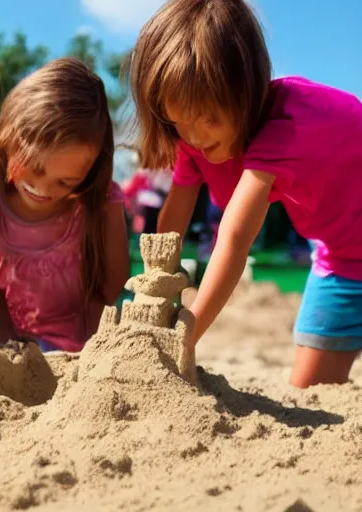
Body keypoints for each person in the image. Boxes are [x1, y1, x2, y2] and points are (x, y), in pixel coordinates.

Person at [126, 0, 362, 387]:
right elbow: (172, 225)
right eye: (179, 122)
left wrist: (181, 338)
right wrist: (156, 293)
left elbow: (234, 240)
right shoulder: (195, 140)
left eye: (209, 119)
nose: (197, 138)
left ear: (245, 90)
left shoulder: (286, 126)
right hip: (342, 262)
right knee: (308, 391)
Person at [0, 58, 130, 353]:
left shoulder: (95, 204)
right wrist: (7, 345)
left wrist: (84, 355)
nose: (43, 189)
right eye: (35, 167)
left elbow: (110, 289)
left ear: (90, 174)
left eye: (66, 182)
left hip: (79, 350)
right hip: (14, 345)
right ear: (8, 137)